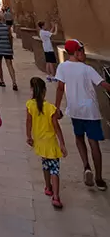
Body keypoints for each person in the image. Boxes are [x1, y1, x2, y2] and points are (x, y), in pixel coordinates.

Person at [55, 39, 110, 191]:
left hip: (75, 110)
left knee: (79, 138)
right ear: (77, 52)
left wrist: (56, 108)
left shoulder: (63, 67)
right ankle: (99, 179)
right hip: (90, 111)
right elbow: (103, 84)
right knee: (94, 143)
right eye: (82, 51)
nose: (84, 54)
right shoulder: (87, 69)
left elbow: (60, 88)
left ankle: (86, 166)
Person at [26, 76, 67, 209]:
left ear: (32, 90)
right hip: (51, 143)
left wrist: (29, 136)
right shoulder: (50, 108)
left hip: (40, 142)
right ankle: (56, 196)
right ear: (44, 91)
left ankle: (48, 187)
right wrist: (62, 143)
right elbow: (56, 127)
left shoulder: (30, 105)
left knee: (45, 165)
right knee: (54, 169)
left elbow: (28, 122)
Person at [0, 12, 18, 90]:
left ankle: (2, 81)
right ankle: (14, 82)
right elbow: (10, 38)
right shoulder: (7, 27)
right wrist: (11, 48)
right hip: (7, 48)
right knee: (10, 65)